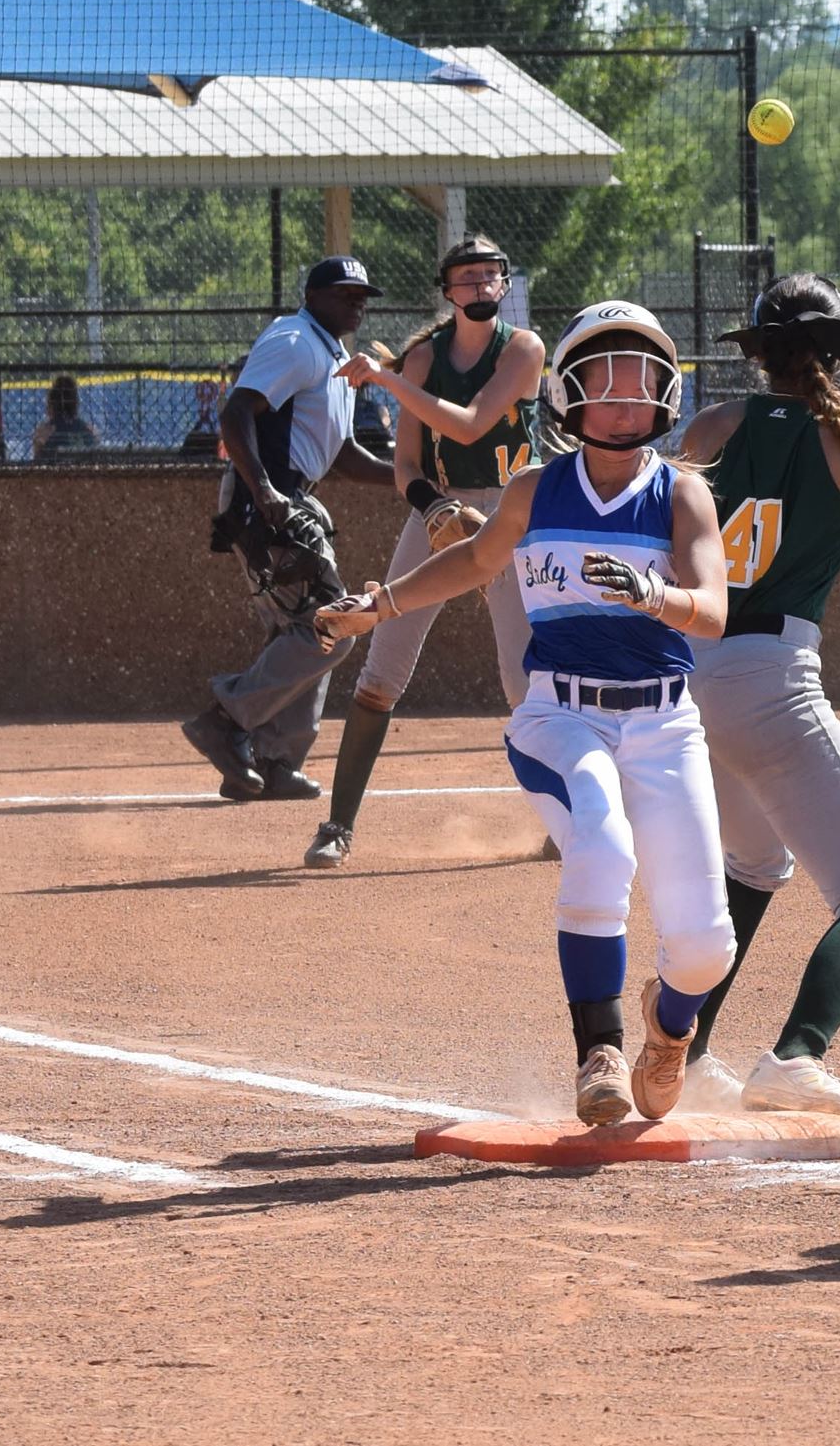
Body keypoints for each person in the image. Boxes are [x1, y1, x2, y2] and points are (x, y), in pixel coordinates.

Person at [315, 302, 736, 1128]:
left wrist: (657, 597)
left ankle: (667, 1025)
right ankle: (600, 1050)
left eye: (640, 382)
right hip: (560, 714)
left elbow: (714, 610)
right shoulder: (533, 490)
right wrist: (382, 603)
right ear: (569, 397)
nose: (624, 401)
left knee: (706, 946)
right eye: (605, 383)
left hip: (662, 722)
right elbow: (474, 561)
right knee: (601, 847)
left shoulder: (680, 494)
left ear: (666, 393)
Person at [667, 274, 840, 1131]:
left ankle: (686, 1050)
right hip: (772, 676)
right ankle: (800, 1050)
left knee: (754, 864)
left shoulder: (709, 427)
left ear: (759, 355)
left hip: (688, 669)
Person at [319, 235, 546, 869]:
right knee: (381, 666)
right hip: (441, 507)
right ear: (446, 290)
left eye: (490, 276)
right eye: (466, 278)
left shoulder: (523, 348)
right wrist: (431, 507)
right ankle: (337, 825)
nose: (480, 287)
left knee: (525, 680)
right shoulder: (422, 359)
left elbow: (471, 424)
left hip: (512, 509)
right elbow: (408, 465)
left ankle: (567, 821)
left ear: (504, 284)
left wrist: (388, 381)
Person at [178, 256, 394, 807]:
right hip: (269, 499)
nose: (358, 303)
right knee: (329, 625)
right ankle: (224, 721)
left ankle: (272, 763)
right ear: (315, 294)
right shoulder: (296, 339)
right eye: (346, 293)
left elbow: (343, 455)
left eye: (363, 295)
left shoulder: (335, 355)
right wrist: (265, 493)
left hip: (294, 498)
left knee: (299, 630)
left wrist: (410, 479)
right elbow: (236, 414)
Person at [30, 375, 101, 460]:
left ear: (51, 405)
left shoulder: (44, 433)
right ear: (76, 403)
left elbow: (36, 462)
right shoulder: (90, 431)